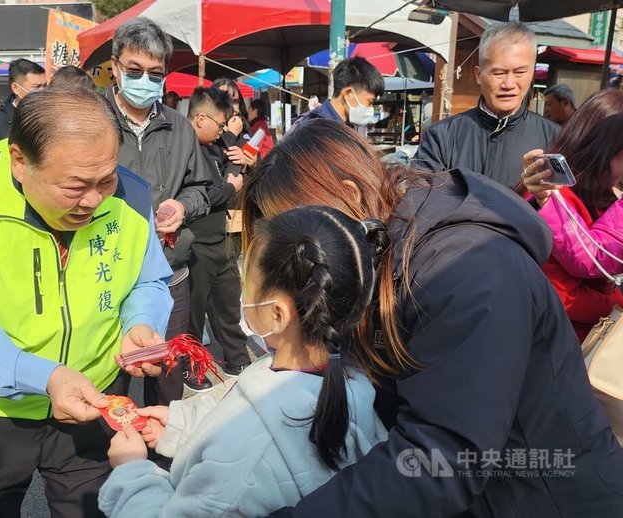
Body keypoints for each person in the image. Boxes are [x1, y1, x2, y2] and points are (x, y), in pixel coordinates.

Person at [242, 119, 623, 517]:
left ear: (348, 196)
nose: (300, 260)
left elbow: (440, 457)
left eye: (303, 238)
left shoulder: (466, 268)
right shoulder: (378, 252)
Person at [0, 87, 174, 517]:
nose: (94, 200)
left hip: (95, 401)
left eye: (107, 178)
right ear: (19, 161)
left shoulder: (130, 197)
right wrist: (43, 375)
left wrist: (140, 323)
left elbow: (151, 280)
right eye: (75, 186)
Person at [98, 205, 389, 517]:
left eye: (247, 281)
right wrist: (181, 424)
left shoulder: (243, 460)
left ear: (277, 314)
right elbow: (252, 408)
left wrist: (132, 472)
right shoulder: (344, 380)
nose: (241, 293)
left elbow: (245, 446)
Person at [107, 17, 211, 406]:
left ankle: (160, 451)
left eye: (155, 73)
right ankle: (105, 459)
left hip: (169, 269)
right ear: (115, 66)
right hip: (107, 272)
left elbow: (203, 187)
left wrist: (182, 206)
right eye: (134, 71)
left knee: (166, 370)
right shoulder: (92, 120)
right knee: (109, 377)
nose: (145, 80)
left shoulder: (179, 128)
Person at [520, 92, 623, 341]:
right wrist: (617, 303)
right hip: (564, 345)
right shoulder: (552, 199)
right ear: (606, 148)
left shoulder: (604, 196)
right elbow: (564, 295)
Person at [416, 22, 559, 188]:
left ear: (532, 73)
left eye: (520, 72)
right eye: (498, 73)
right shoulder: (441, 137)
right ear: (478, 75)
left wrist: (543, 199)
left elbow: (568, 208)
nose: (509, 84)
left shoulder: (555, 139)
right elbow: (420, 200)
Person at [184, 87, 251, 391]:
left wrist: (236, 150)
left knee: (228, 307)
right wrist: (229, 189)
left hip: (220, 240)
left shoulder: (214, 145)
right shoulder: (182, 150)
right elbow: (197, 198)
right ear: (200, 119)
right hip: (193, 242)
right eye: (220, 125)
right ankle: (191, 370)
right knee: (193, 316)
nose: (222, 131)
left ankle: (239, 361)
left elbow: (231, 175)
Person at [289, 56, 383, 133]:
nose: (370, 109)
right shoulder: (315, 131)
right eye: (370, 102)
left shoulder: (344, 127)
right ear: (348, 93)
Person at [0, 59, 45, 146]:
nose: (42, 91)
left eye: (45, 86)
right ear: (15, 88)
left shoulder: (50, 117)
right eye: (36, 87)